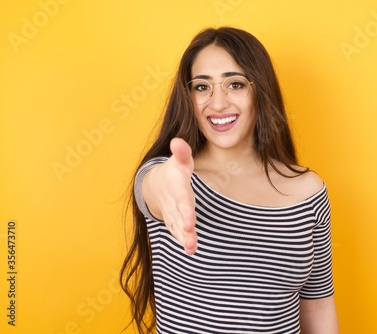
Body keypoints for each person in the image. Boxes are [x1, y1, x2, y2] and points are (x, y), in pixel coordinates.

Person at [120, 26, 340, 334]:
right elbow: (156, 187)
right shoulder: (173, 176)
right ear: (188, 97)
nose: (218, 102)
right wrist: (166, 184)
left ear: (260, 91)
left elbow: (317, 303)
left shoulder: (309, 191)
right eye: (202, 87)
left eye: (235, 84)